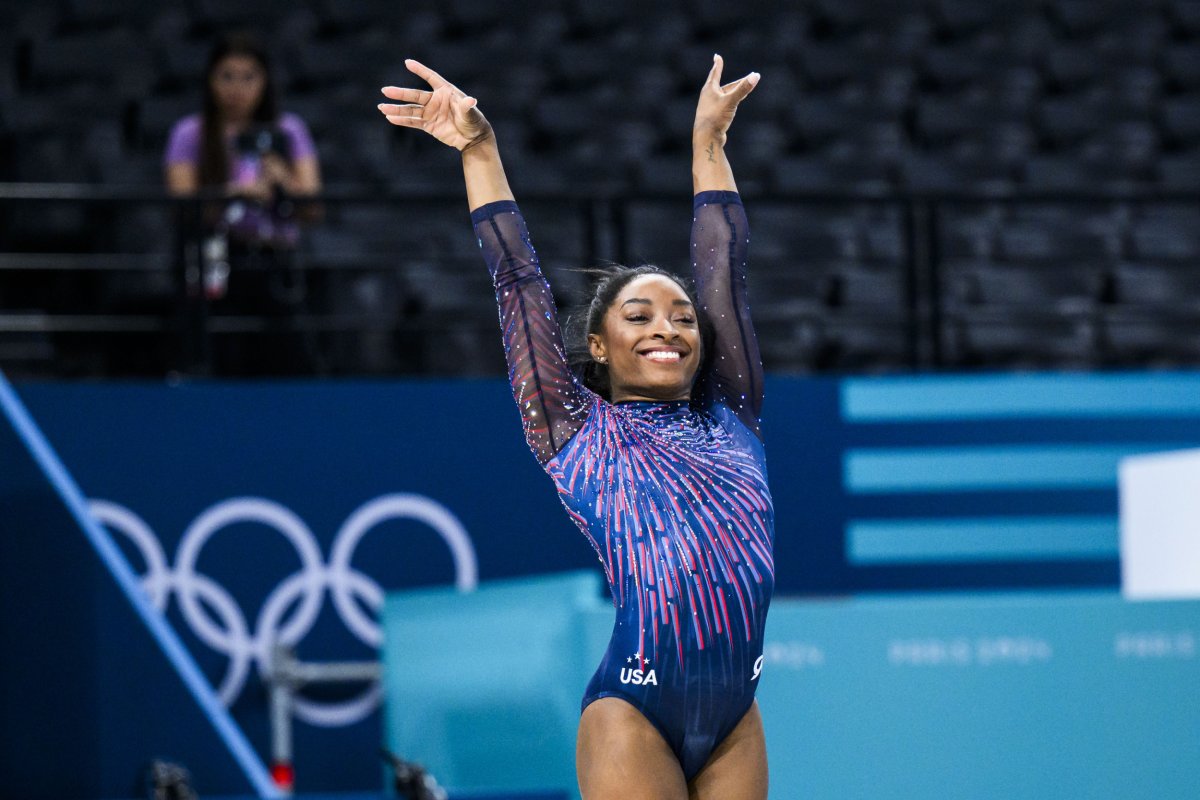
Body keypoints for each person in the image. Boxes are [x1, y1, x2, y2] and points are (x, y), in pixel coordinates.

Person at [379, 55, 771, 799]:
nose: (669, 328)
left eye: (684, 318)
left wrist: (709, 148)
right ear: (598, 345)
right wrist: (479, 150)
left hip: (735, 716)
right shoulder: (574, 432)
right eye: (640, 315)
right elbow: (516, 281)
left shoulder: (735, 415)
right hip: (635, 712)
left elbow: (725, 265)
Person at [164, 32, 322, 374]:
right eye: (227, 76)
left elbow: (313, 207)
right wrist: (234, 194)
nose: (238, 88)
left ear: (265, 82)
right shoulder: (190, 133)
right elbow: (181, 207)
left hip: (277, 262)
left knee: (293, 365)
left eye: (249, 77)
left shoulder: (289, 130)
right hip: (218, 264)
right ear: (210, 81)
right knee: (220, 362)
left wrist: (283, 178)